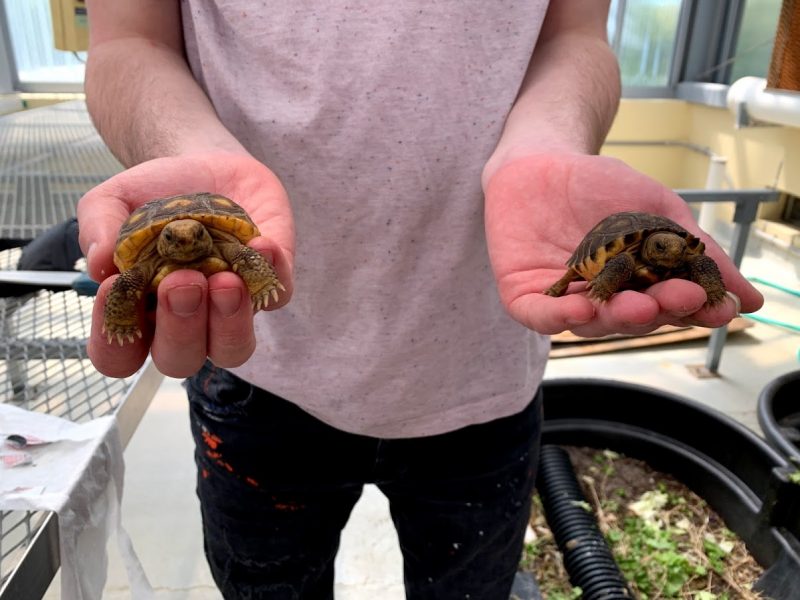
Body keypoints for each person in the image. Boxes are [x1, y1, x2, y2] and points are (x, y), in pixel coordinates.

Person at [78, 1, 762, 598]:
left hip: (484, 368)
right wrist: (188, 159)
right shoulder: (215, 240)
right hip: (262, 368)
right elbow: (129, 39)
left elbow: (576, 34)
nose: (196, 236)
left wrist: (545, 148)